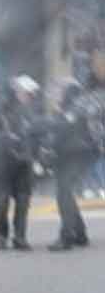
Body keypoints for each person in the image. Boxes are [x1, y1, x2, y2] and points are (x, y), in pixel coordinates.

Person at [0, 76, 42, 251]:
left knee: (23, 201)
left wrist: (38, 156)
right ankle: (1, 233)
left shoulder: (33, 113)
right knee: (2, 201)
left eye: (31, 94)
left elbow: (37, 136)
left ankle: (20, 237)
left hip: (25, 163)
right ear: (17, 92)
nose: (29, 97)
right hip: (4, 162)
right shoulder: (1, 111)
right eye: (27, 93)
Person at [45, 78, 93, 251]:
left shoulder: (74, 109)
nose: (56, 94)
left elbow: (64, 131)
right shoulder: (67, 109)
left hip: (76, 156)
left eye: (59, 91)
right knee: (66, 193)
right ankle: (80, 233)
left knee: (64, 193)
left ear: (69, 93)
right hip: (67, 156)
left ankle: (67, 237)